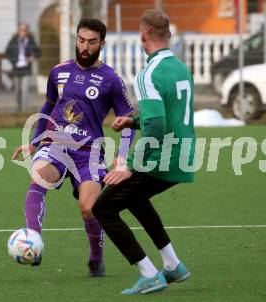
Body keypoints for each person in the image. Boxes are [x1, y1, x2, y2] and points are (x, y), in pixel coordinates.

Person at [12, 18, 135, 277]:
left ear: (102, 43)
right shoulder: (59, 71)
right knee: (38, 176)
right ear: (76, 39)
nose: (85, 47)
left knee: (89, 208)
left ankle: (96, 258)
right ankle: (33, 239)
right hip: (56, 143)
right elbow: (48, 106)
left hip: (88, 153)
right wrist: (35, 141)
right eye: (81, 40)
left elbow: (129, 121)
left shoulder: (111, 79)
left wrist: (122, 158)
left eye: (92, 42)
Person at [92, 10, 195, 294]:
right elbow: (166, 111)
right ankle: (172, 264)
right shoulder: (180, 67)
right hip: (183, 153)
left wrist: (130, 165)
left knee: (104, 208)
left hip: (162, 157)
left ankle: (149, 273)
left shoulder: (149, 73)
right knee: (135, 199)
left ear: (143, 35)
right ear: (169, 36)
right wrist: (134, 120)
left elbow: (158, 124)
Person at [4, 22, 41, 112]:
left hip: (26, 68)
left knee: (24, 90)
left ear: (27, 31)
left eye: (25, 30)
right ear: (18, 31)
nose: (23, 32)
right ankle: (18, 107)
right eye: (21, 30)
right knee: (17, 90)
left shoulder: (31, 40)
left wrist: (33, 57)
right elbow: (7, 53)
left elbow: (38, 52)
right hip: (16, 68)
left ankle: (24, 110)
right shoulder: (14, 40)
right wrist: (13, 62)